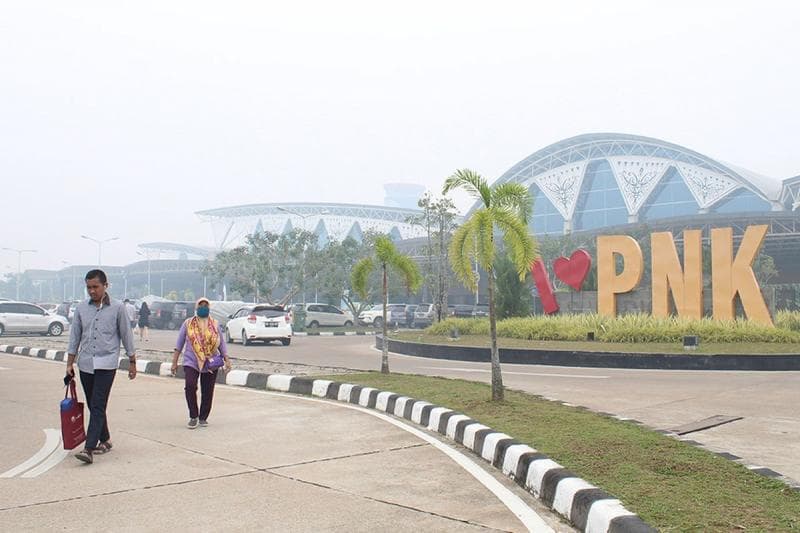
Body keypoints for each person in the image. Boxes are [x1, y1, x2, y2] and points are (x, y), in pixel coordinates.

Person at [66, 269, 137, 464]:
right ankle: (105, 439)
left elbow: (126, 335)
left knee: (97, 403)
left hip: (107, 363)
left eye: (95, 287)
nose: (92, 291)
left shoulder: (118, 308)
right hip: (86, 363)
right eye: (88, 287)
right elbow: (75, 337)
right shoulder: (81, 308)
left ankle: (89, 448)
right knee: (93, 404)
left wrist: (132, 361)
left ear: (106, 286)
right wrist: (69, 363)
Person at [171, 297, 231, 429]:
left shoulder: (215, 324)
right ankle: (193, 416)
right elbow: (179, 344)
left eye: (206, 306)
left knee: (208, 390)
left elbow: (221, 343)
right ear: (196, 308)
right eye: (201, 306)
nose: (203, 308)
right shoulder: (188, 323)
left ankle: (203, 417)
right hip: (191, 360)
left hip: (211, 361)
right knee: (190, 386)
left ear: (209, 308)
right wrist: (174, 362)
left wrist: (226, 359)